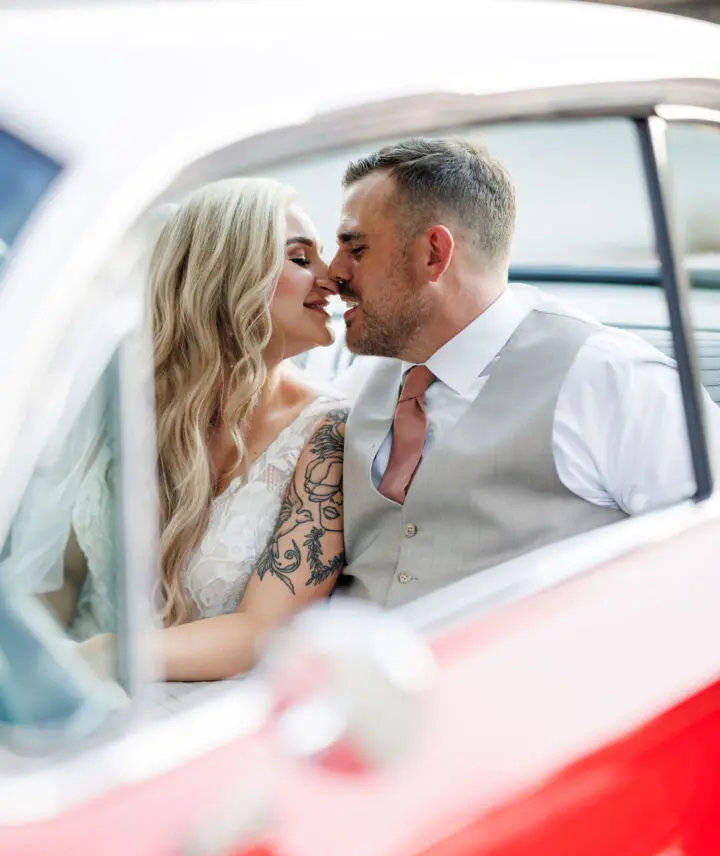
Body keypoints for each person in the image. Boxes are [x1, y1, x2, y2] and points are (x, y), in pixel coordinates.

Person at [327, 136, 720, 608]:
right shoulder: (357, 383)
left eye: (356, 248)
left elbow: (703, 568)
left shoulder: (610, 379)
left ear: (433, 253)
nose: (334, 272)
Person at [77, 177, 348, 681]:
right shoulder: (119, 396)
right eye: (301, 257)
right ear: (227, 273)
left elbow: (262, 631)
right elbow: (59, 578)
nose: (333, 277)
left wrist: (104, 655)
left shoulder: (327, 432)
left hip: (191, 712)